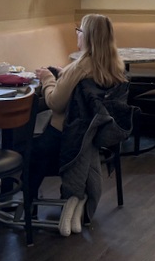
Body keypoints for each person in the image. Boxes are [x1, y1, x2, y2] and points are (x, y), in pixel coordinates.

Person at [31, 14, 127, 235]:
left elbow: (55, 102)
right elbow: (84, 92)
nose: (77, 34)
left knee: (30, 154)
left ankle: (27, 208)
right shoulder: (114, 66)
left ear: (88, 37)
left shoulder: (80, 67)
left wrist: (47, 79)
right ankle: (76, 205)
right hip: (92, 136)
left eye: (80, 31)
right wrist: (62, 74)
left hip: (65, 136)